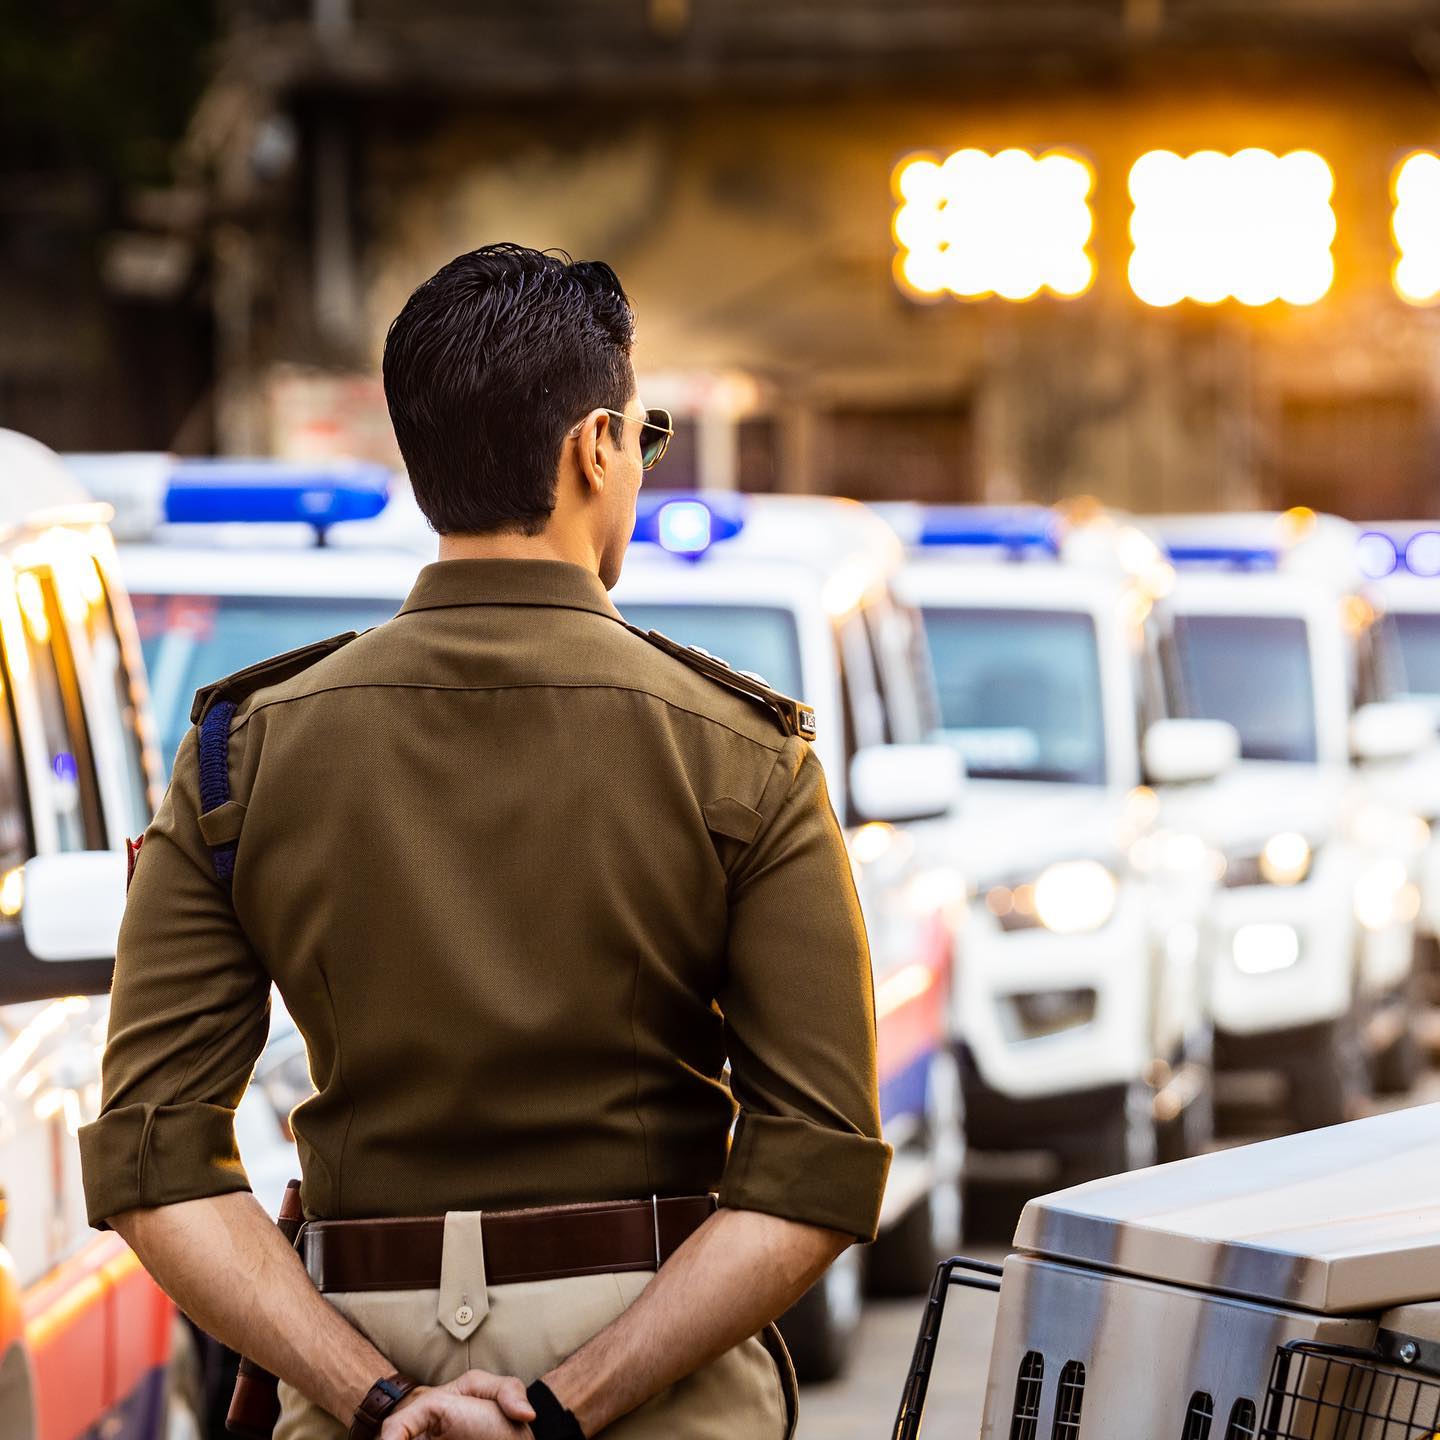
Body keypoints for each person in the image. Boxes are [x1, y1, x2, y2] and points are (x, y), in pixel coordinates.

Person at [79, 243, 889, 1440]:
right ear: (595, 448)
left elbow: (155, 1166)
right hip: (659, 1371)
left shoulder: (239, 756)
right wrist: (566, 1404)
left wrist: (376, 1393)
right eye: (644, 441)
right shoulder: (742, 755)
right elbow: (817, 1159)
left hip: (363, 1345)